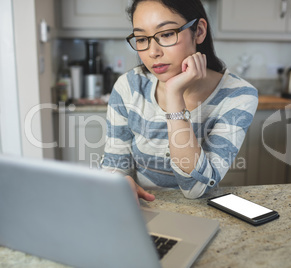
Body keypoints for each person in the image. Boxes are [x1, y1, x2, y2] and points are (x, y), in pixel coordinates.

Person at [101, 0, 258, 200]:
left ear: (199, 31)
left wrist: (174, 94)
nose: (152, 52)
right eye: (141, 39)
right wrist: (119, 180)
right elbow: (114, 165)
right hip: (144, 210)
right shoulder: (129, 86)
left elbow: (195, 188)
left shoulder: (238, 95)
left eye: (166, 34)